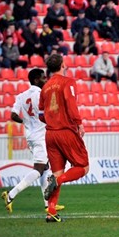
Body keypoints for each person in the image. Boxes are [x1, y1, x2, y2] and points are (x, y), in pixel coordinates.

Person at [1, 69, 63, 214]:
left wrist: (27, 122)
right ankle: (11, 195)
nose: (45, 80)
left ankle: (48, 205)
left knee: (45, 169)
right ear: (36, 80)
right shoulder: (42, 94)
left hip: (30, 135)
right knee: (39, 169)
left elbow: (13, 115)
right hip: (41, 136)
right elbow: (48, 115)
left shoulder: (21, 96)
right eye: (43, 78)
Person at [40, 54, 90, 223]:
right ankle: (57, 181)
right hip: (65, 131)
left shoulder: (45, 87)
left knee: (57, 172)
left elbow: (41, 114)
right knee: (83, 166)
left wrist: (51, 118)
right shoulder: (68, 82)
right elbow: (71, 103)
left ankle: (51, 211)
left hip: (50, 134)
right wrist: (79, 123)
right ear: (62, 64)